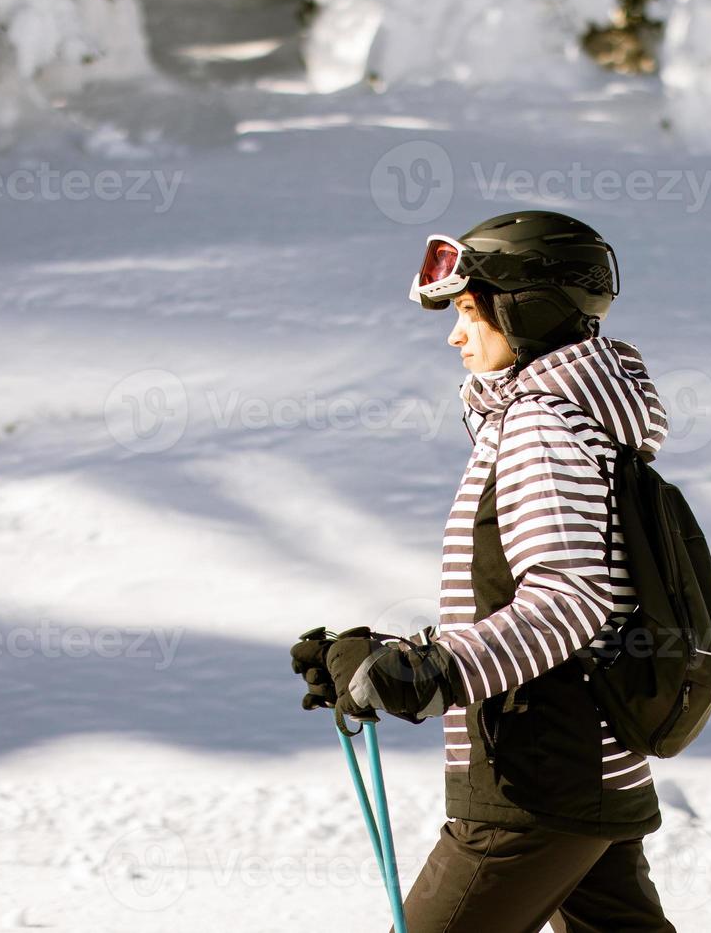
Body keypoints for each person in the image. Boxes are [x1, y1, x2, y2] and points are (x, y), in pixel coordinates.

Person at [290, 210, 677, 932]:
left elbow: (567, 598)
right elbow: (534, 593)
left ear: (526, 311)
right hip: (587, 765)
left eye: (470, 312)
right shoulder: (572, 421)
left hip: (537, 775)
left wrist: (433, 671)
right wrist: (391, 655)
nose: (454, 333)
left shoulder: (543, 424)